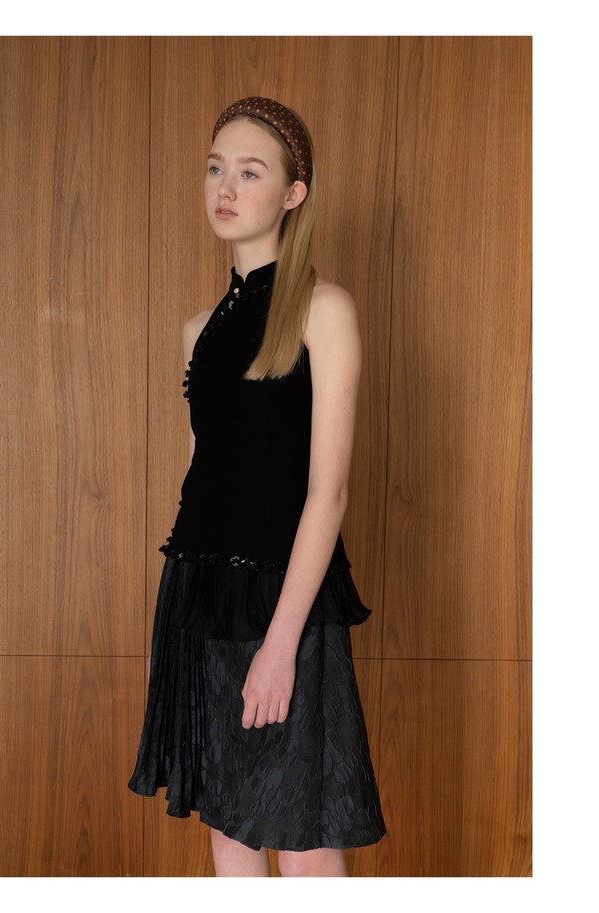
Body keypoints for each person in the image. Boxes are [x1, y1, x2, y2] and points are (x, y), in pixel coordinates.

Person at [129, 96, 386, 877]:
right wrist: (177, 626)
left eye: (249, 171)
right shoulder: (198, 331)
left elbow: (327, 493)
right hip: (202, 594)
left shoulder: (322, 310)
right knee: (230, 829)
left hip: (286, 601)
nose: (225, 186)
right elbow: (206, 481)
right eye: (216, 169)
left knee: (302, 842)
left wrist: (280, 643)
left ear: (292, 192)